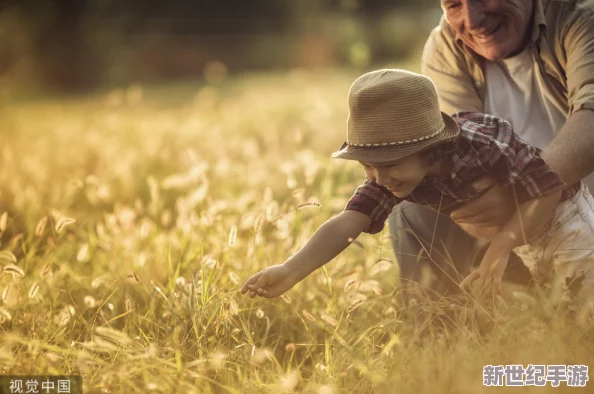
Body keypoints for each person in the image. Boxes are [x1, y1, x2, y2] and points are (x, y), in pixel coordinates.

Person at [240, 69, 594, 305]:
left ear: (428, 150)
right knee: (557, 305)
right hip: (522, 236)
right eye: (367, 166)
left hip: (562, 219)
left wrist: (501, 246)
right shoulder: (390, 177)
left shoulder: (483, 143)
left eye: (391, 164)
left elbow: (549, 186)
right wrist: (290, 270)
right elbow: (349, 222)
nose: (379, 178)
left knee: (585, 302)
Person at [388, 0, 594, 295]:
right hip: (512, 237)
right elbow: (456, 166)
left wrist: (524, 199)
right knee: (414, 200)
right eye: (454, 4)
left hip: (584, 221)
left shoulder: (581, 18)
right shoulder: (446, 46)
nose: (472, 21)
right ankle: (442, 330)